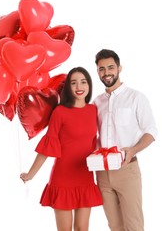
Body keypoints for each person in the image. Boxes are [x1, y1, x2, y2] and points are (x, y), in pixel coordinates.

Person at [20, 67, 103, 231]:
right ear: (68, 88)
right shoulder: (60, 112)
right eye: (74, 83)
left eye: (83, 82)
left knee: (82, 229)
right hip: (63, 178)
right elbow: (47, 147)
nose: (79, 86)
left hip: (85, 177)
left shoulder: (94, 110)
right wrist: (30, 174)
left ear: (89, 85)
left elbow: (99, 141)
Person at [93, 49, 158, 231]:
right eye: (102, 69)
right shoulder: (96, 103)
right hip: (103, 173)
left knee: (134, 226)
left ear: (119, 68)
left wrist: (133, 150)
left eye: (111, 68)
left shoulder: (136, 98)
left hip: (127, 169)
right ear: (97, 72)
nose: (107, 73)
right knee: (114, 226)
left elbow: (151, 131)